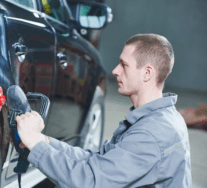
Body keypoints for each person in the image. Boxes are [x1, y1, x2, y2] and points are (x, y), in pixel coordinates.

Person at [12, 34, 192, 187]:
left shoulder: (150, 134)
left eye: (124, 65)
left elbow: (89, 181)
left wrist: (35, 144)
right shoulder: (161, 117)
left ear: (147, 73)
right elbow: (98, 161)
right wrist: (44, 141)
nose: (115, 71)